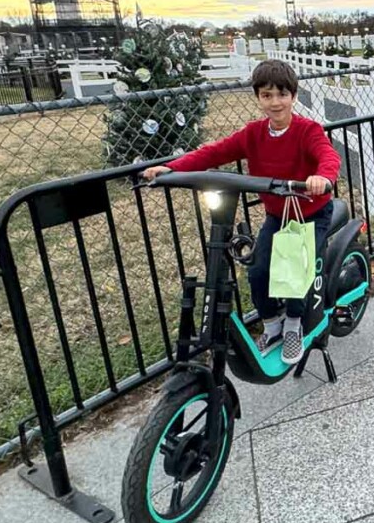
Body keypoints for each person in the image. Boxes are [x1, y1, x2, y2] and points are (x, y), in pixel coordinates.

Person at [143, 59, 340, 366]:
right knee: (259, 269)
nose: (275, 102)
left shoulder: (307, 130)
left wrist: (322, 178)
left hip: (311, 214)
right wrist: (171, 168)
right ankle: (273, 324)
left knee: (295, 272)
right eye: (266, 95)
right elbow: (215, 151)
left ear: (293, 96)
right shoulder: (253, 134)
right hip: (278, 215)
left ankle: (293, 326)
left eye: (281, 95)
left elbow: (327, 156)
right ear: (258, 97)